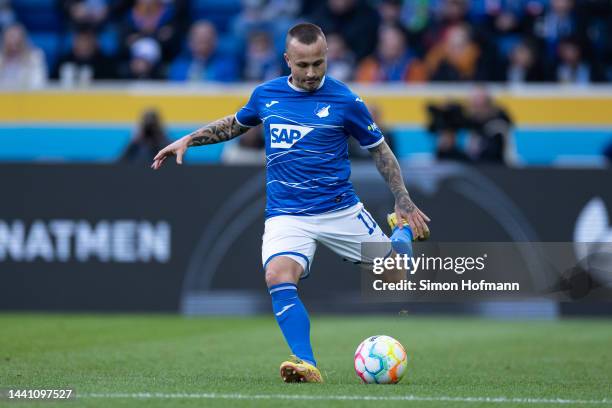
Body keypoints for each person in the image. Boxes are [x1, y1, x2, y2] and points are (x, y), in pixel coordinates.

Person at [151, 23, 430, 383]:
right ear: (287, 60)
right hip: (286, 214)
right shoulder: (266, 95)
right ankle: (305, 362)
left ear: (327, 57)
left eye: (318, 63)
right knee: (277, 275)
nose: (312, 73)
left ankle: (401, 233)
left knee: (397, 275)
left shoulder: (345, 101)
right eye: (303, 65)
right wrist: (189, 139)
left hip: (338, 210)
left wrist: (402, 200)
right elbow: (235, 124)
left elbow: (379, 150)